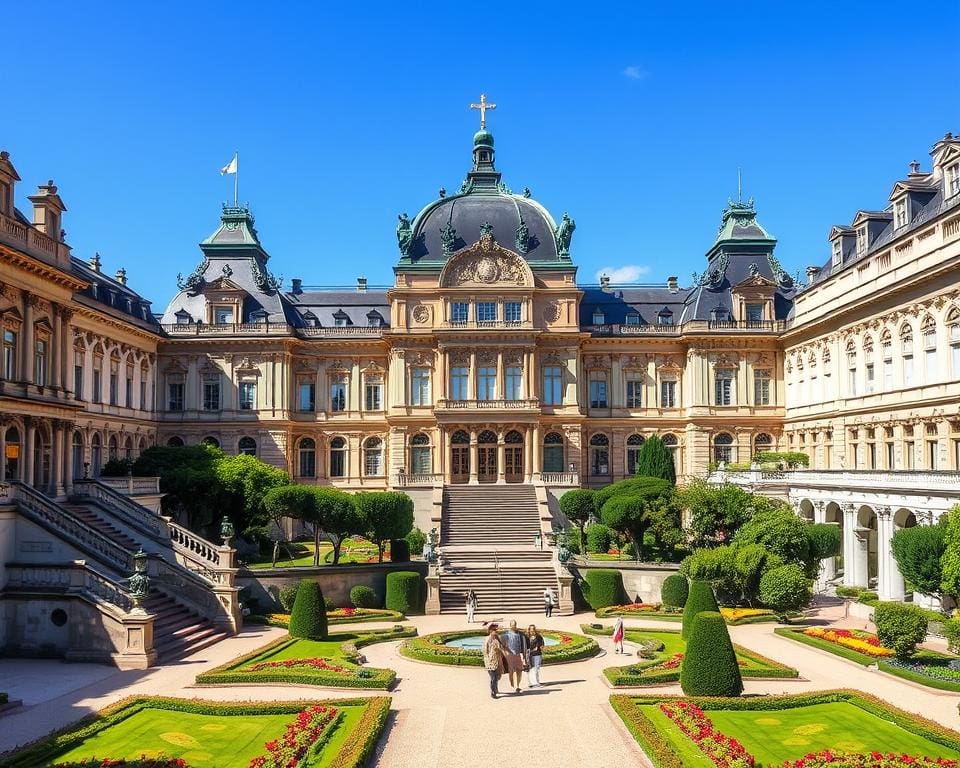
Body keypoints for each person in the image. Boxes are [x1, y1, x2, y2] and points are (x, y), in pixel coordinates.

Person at [501, 620, 528, 693]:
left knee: (519, 671)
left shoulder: (520, 634)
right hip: (510, 656)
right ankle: (512, 685)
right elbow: (502, 646)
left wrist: (524, 655)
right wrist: (506, 654)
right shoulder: (505, 635)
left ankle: (518, 686)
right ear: (510, 625)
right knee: (511, 672)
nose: (514, 626)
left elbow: (524, 645)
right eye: (513, 625)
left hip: (518, 655)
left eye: (515, 625)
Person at [482, 623, 505, 699]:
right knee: (493, 677)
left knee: (498, 676)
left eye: (496, 630)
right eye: (494, 630)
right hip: (491, 661)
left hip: (498, 660)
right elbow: (485, 651)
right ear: (490, 631)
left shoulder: (497, 638)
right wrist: (487, 661)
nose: (496, 631)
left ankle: (495, 688)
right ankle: (493, 692)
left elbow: (501, 647)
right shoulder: (487, 639)